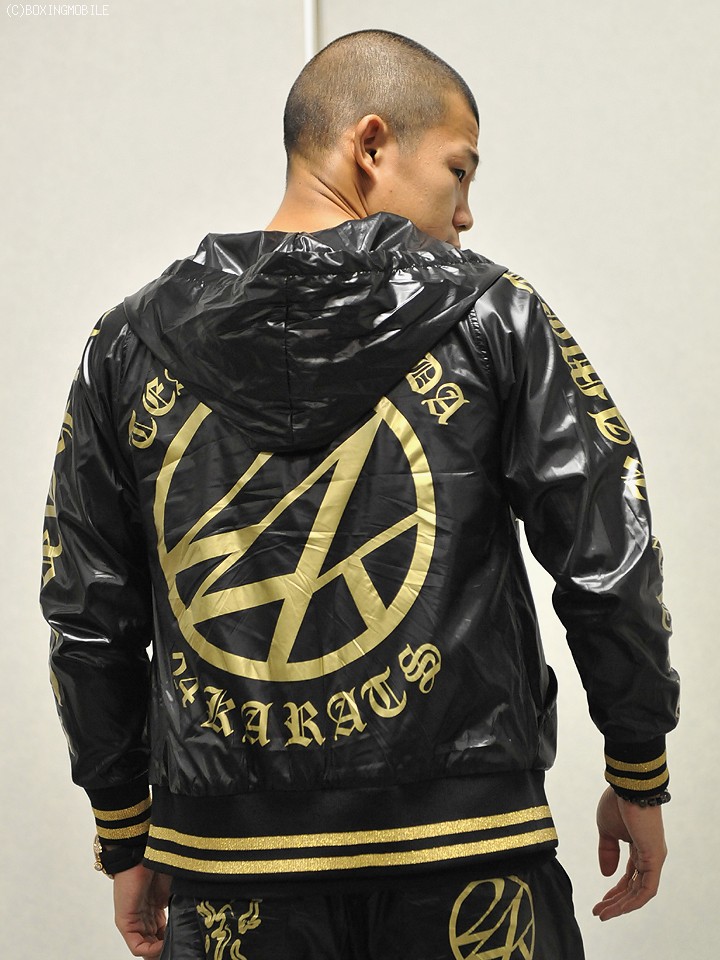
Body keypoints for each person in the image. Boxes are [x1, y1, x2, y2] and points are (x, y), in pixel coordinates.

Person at [41, 29, 679, 960]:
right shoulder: (495, 317)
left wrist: (124, 828)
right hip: (469, 858)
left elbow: (90, 610)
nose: (467, 214)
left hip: (231, 870)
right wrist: (638, 763)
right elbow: (607, 554)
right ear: (371, 145)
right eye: (459, 171)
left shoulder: (127, 347)